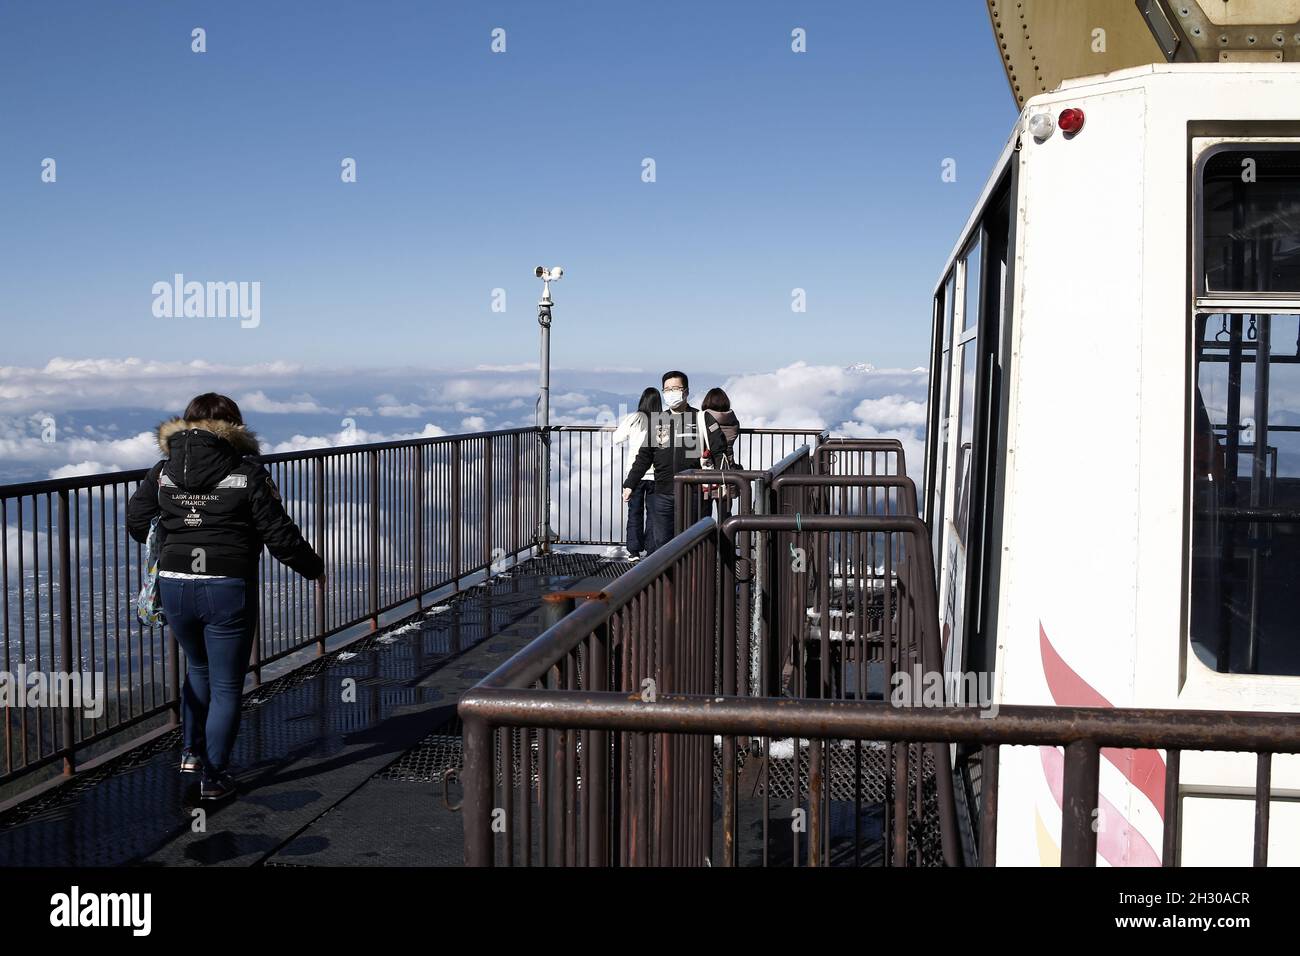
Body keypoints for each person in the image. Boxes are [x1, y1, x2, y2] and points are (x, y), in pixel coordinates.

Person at [127, 393, 324, 801]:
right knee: (227, 683)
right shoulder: (247, 471)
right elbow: (278, 534)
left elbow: (135, 520)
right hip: (227, 585)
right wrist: (313, 567)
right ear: (236, 428)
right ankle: (214, 777)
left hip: (175, 582)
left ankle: (190, 753)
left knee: (197, 669)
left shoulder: (162, 471)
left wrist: (172, 535)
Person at [621, 371, 727, 552]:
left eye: (676, 388)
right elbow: (644, 456)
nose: (671, 393)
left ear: (686, 391)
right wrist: (630, 483)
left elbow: (719, 452)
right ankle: (670, 580)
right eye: (667, 389)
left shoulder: (700, 418)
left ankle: (693, 580)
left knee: (695, 542)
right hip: (662, 493)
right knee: (662, 544)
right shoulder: (657, 421)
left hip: (695, 494)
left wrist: (724, 481)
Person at [612, 387, 661, 559]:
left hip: (635, 474)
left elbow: (617, 437)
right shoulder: (662, 421)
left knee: (634, 512)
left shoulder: (633, 418)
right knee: (654, 514)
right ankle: (652, 550)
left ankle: (633, 550)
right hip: (656, 474)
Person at [699, 387, 741, 520]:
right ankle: (726, 539)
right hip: (728, 470)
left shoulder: (705, 418)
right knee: (725, 514)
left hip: (709, 470)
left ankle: (708, 540)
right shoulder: (733, 420)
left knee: (704, 515)